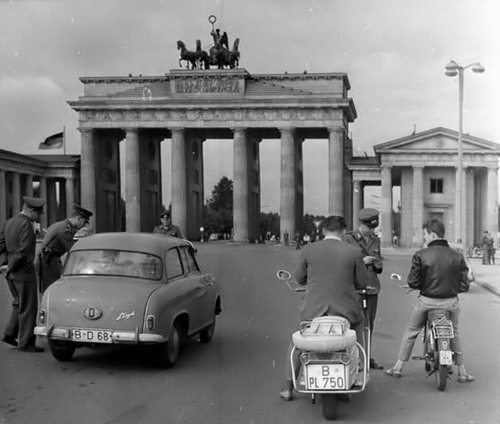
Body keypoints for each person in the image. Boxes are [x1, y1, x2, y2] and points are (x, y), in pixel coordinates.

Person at [280, 215, 370, 401]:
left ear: (322, 231)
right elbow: (361, 281)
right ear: (343, 232)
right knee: (359, 328)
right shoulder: (354, 252)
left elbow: (298, 278)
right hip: (346, 311)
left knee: (297, 341)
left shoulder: (309, 249)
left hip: (313, 311)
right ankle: (357, 367)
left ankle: (288, 386)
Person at [385, 218, 474, 383]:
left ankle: (398, 367)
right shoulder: (457, 255)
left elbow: (413, 282)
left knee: (412, 331)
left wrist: (423, 286)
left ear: (432, 234)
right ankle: (462, 371)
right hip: (450, 303)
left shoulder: (421, 255)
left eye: (425, 235)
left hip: (427, 302)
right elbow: (464, 283)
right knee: (454, 332)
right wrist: (453, 290)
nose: (424, 238)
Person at [0, 196, 46, 352]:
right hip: (23, 272)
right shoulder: (26, 224)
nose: (38, 217)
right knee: (28, 306)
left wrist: (5, 265)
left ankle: (9, 334)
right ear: (30, 210)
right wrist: (12, 267)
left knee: (18, 302)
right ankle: (26, 343)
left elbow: (2, 246)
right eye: (38, 213)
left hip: (11, 272)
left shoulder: (9, 222)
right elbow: (23, 251)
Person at [343, 208, 384, 370]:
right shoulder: (348, 239)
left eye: (374, 228)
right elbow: (343, 264)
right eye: (369, 228)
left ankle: (366, 357)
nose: (372, 231)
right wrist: (362, 262)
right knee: (354, 324)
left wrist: (375, 263)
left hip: (372, 287)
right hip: (354, 288)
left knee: (369, 324)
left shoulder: (375, 240)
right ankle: (354, 358)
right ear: (361, 225)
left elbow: (380, 267)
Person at [36, 204, 93, 293]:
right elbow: (73, 250)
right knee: (53, 289)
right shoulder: (65, 230)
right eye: (84, 222)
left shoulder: (61, 225)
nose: (84, 225)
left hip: (48, 261)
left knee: (49, 289)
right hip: (50, 262)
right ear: (78, 218)